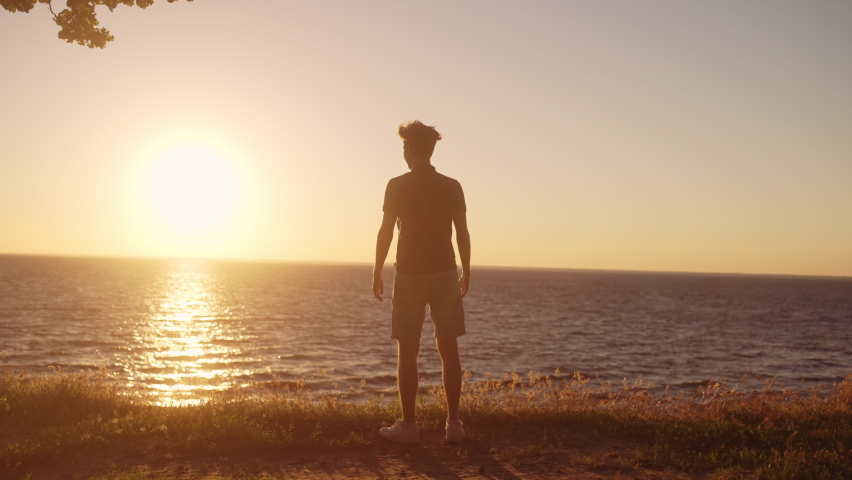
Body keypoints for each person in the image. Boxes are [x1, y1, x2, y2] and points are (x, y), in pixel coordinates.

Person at [372, 120, 471, 444]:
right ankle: (453, 426)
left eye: (404, 147)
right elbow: (462, 233)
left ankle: (409, 426)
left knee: (408, 351)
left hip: (410, 276)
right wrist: (465, 271)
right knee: (449, 349)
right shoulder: (452, 185)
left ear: (411, 150)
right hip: (445, 273)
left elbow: (386, 230)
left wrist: (377, 271)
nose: (403, 152)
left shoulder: (397, 185)